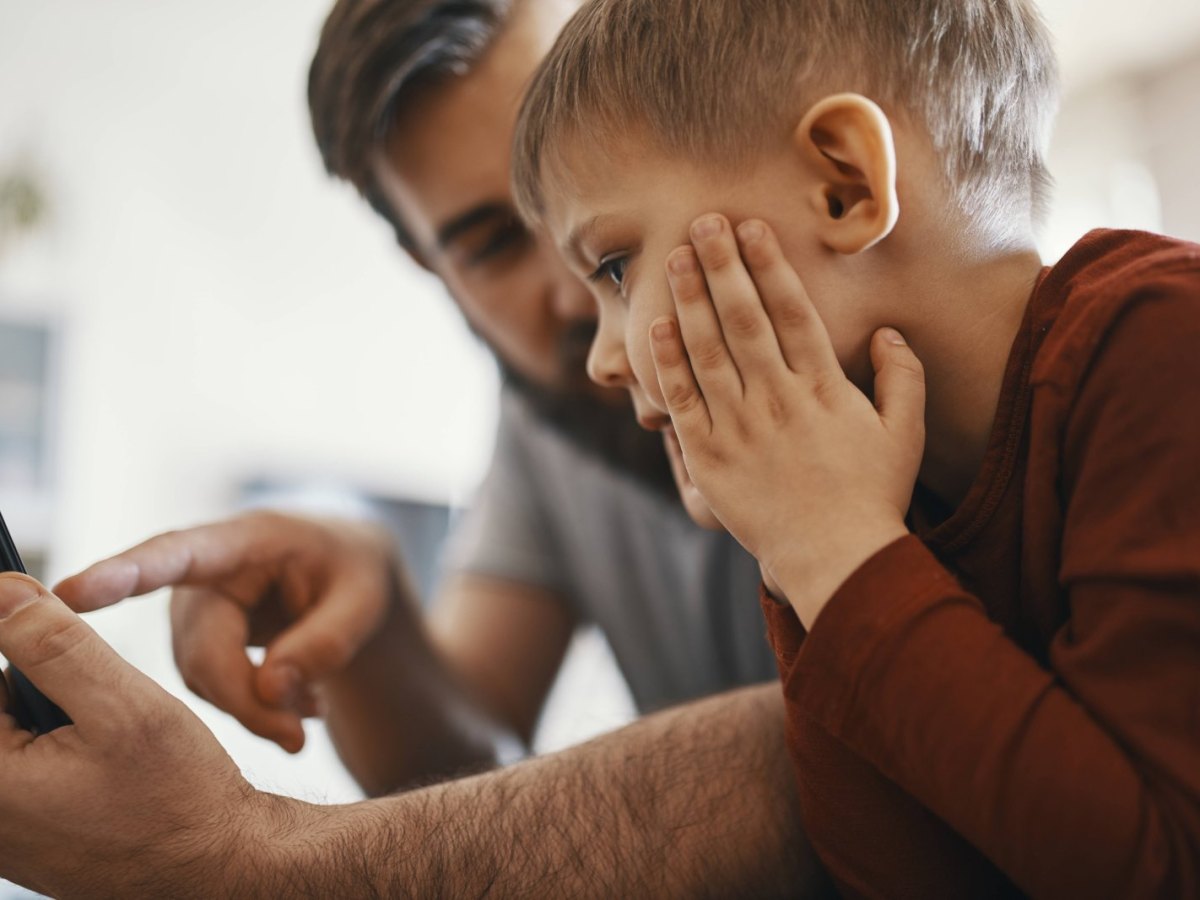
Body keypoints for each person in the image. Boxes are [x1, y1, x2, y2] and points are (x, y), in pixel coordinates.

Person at [0, 0, 833, 896]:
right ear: (430, 269)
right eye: (497, 243)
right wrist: (379, 620)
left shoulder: (888, 346)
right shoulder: (544, 421)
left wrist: (240, 856)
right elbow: (484, 783)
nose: (587, 302)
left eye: (603, 206)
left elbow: (874, 747)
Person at [511, 0, 1200, 896]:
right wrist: (804, 560)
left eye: (612, 266)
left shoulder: (1160, 342)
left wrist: (839, 553)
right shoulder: (877, 497)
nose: (603, 359)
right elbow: (903, 879)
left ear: (844, 184)